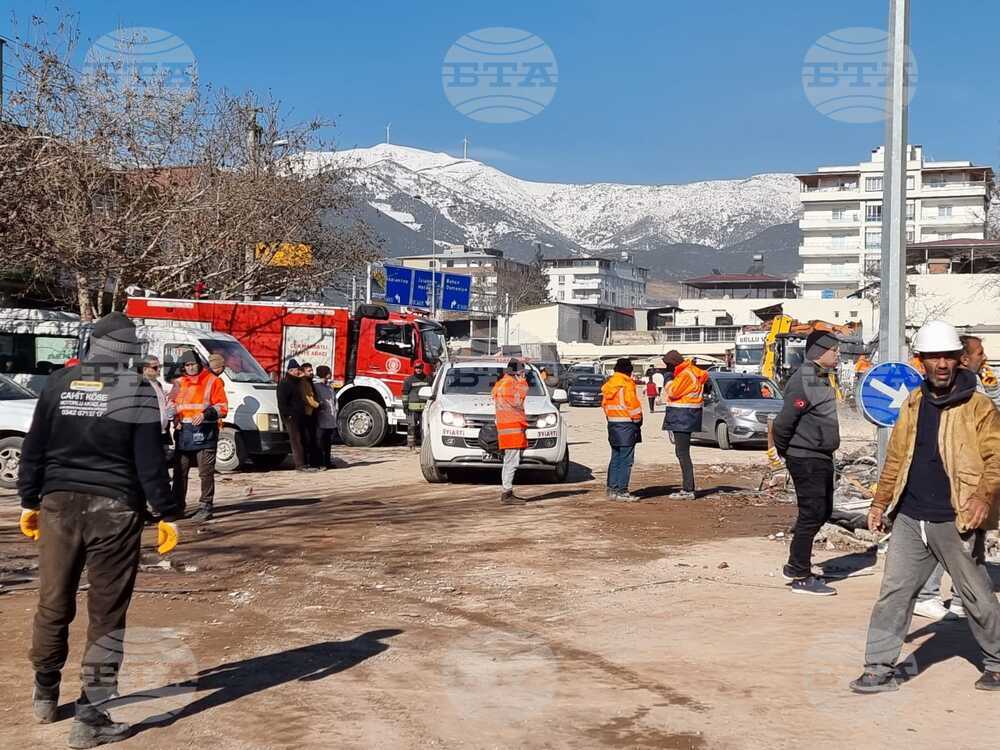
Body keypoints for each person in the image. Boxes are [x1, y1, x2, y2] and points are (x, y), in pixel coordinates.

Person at [17, 312, 182, 747]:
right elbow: (150, 463)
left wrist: (29, 500)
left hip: (58, 505)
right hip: (114, 510)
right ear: (129, 351)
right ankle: (89, 715)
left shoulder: (56, 384)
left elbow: (34, 447)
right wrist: (166, 512)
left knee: (53, 600)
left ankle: (45, 691)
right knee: (107, 614)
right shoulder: (136, 390)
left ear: (94, 344)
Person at [850, 320, 1000, 694]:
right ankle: (878, 668)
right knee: (895, 593)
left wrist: (983, 497)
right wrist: (879, 503)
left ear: (959, 360)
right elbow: (897, 457)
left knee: (975, 594)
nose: (942, 364)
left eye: (948, 357)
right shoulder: (914, 403)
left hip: (956, 516)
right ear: (922, 361)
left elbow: (997, 457)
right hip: (910, 516)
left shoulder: (978, 406)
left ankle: (997, 663)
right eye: (933, 357)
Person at [913, 333, 1000, 620]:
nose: (983, 358)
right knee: (952, 544)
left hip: (976, 484)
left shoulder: (974, 389)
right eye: (978, 353)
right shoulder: (955, 391)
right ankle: (935, 596)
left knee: (967, 546)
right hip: (957, 487)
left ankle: (959, 598)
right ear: (963, 358)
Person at [772, 330, 841, 596]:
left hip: (820, 456)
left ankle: (797, 566)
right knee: (812, 513)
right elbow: (783, 422)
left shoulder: (821, 378)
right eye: (833, 350)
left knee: (822, 512)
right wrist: (786, 451)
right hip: (806, 457)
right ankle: (799, 573)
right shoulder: (805, 379)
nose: (837, 354)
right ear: (818, 352)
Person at [170, 350, 228, 523]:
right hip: (184, 432)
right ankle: (177, 506)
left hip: (206, 432)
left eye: (193, 364)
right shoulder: (178, 383)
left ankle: (205, 506)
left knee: (205, 473)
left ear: (200, 364)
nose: (191, 368)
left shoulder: (213, 381)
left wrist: (206, 414)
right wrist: (175, 419)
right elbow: (172, 404)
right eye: (187, 365)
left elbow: (222, 407)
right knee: (180, 472)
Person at [661, 351, 707, 501]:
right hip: (688, 416)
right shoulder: (692, 372)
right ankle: (688, 488)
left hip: (683, 417)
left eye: (667, 365)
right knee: (682, 453)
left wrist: (667, 378)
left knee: (682, 454)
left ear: (673, 363)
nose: (667, 368)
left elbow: (673, 391)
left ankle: (688, 489)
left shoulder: (685, 374)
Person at [603, 358, 643, 501]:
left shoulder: (609, 385)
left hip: (613, 424)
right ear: (629, 371)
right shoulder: (627, 384)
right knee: (626, 460)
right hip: (627, 425)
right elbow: (632, 404)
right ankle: (622, 491)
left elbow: (605, 406)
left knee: (615, 458)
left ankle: (612, 489)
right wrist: (638, 419)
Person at [492, 359, 530, 505]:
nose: (524, 375)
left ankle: (507, 491)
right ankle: (507, 493)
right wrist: (522, 383)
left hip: (507, 427)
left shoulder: (502, 383)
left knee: (509, 461)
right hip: (512, 429)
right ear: (517, 372)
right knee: (511, 462)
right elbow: (517, 401)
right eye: (522, 372)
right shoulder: (511, 384)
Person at [277, 359, 319, 473]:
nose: (298, 371)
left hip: (300, 415)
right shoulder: (285, 383)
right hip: (291, 417)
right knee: (296, 441)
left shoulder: (297, 382)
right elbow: (282, 402)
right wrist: (287, 415)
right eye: (297, 370)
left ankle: (306, 463)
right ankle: (300, 465)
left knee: (304, 439)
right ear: (291, 370)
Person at [142, 355, 174, 444]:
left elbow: (162, 407)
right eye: (155, 367)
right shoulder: (142, 385)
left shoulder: (158, 384)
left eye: (159, 367)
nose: (159, 369)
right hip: (148, 433)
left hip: (161, 432)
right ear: (145, 369)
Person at [401, 363, 430, 451]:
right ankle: (411, 446)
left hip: (424, 409)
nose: (418, 369)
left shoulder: (428, 379)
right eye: (416, 368)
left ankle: (424, 447)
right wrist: (405, 406)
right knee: (411, 427)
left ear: (422, 368)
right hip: (411, 409)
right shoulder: (409, 380)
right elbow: (405, 393)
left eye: (420, 368)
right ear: (414, 368)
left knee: (424, 428)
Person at [314, 365, 337, 470]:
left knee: (328, 442)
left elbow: (334, 401)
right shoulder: (316, 386)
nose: (330, 374)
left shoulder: (329, 387)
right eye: (328, 372)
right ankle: (320, 463)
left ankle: (327, 461)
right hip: (321, 419)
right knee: (320, 442)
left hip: (331, 418)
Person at [300, 363, 323, 468]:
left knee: (314, 439)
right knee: (307, 439)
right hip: (306, 413)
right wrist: (317, 405)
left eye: (312, 370)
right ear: (303, 372)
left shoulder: (309, 381)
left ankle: (315, 462)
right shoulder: (303, 382)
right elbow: (307, 398)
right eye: (309, 371)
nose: (312, 373)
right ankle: (308, 462)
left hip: (312, 412)